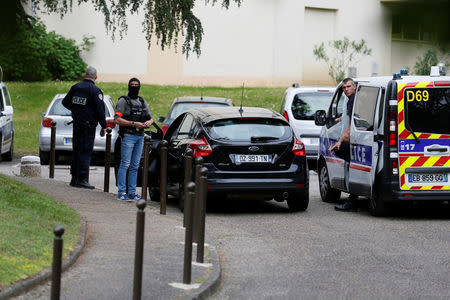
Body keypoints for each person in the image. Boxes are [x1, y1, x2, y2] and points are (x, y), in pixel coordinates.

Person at [62, 66, 106, 189]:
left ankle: (74, 178)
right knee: (85, 151)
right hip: (88, 125)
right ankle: (81, 178)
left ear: (84, 75)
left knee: (76, 150)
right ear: (95, 77)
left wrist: (77, 111)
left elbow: (65, 102)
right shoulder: (95, 90)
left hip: (77, 123)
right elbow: (100, 110)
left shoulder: (75, 87)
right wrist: (104, 126)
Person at [114, 78, 153, 201]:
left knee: (135, 166)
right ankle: (121, 192)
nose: (134, 87)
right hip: (128, 136)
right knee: (125, 164)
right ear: (128, 86)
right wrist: (133, 124)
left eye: (136, 85)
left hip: (140, 136)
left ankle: (132, 192)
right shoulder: (123, 101)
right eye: (132, 85)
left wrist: (148, 122)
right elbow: (117, 119)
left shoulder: (142, 101)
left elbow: (151, 118)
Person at [330, 77, 358, 212]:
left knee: (350, 163)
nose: (346, 90)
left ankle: (352, 202)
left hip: (356, 140)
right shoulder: (352, 99)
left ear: (354, 86)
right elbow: (350, 117)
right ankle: (352, 200)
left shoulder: (353, 100)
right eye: (344, 88)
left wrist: (340, 141)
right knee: (354, 168)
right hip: (358, 140)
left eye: (348, 87)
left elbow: (351, 125)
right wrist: (340, 118)